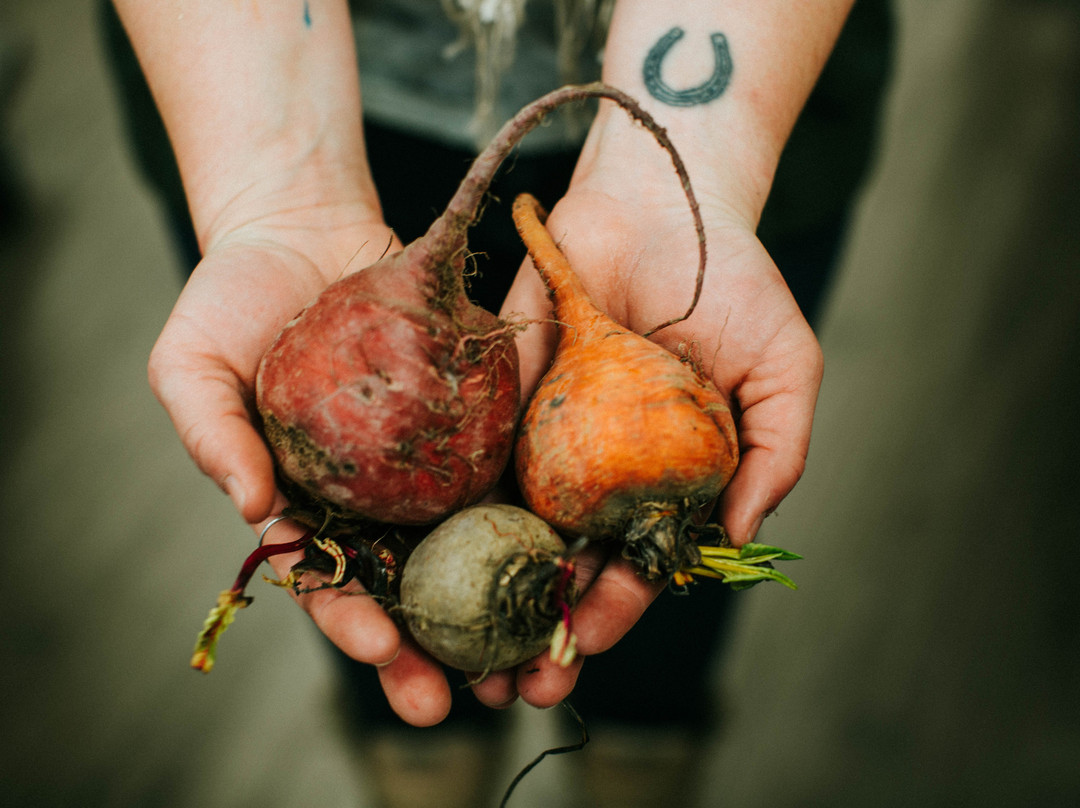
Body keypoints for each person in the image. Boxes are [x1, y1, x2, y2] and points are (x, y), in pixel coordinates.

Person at [106, 1, 891, 803]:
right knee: (381, 614)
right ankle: (422, 756)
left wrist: (683, 181)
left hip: (750, 80)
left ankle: (645, 737)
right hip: (255, 87)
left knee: (667, 594)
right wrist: (272, 196)